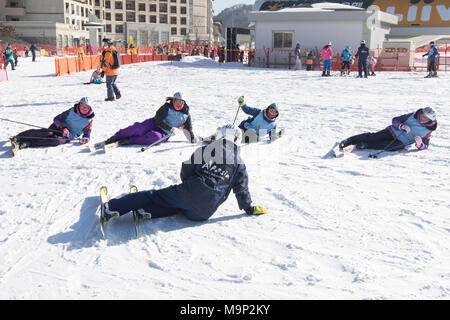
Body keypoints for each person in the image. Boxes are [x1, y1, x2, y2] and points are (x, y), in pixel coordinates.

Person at [101, 125, 267, 223]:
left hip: (191, 190)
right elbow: (242, 189)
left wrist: (187, 185)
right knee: (179, 206)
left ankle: (112, 208)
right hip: (204, 213)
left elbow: (187, 168)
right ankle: (147, 211)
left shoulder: (208, 149)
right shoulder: (240, 163)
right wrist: (249, 208)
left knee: (154, 195)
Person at [103, 92, 197, 147]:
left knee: (154, 137)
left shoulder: (186, 115)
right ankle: (116, 137)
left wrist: (193, 138)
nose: (178, 103)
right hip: (154, 123)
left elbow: (188, 129)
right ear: (173, 100)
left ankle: (129, 140)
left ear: (183, 102)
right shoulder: (167, 107)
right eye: (176, 101)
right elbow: (158, 119)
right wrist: (170, 128)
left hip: (164, 133)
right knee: (138, 129)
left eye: (180, 101)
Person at [10, 97, 95, 151]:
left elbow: (87, 132)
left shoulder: (89, 120)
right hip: (58, 127)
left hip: (68, 136)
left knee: (55, 141)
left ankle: (27, 144)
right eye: (82, 106)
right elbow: (57, 119)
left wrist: (86, 138)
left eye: (86, 107)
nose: (83, 108)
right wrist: (63, 127)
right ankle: (19, 137)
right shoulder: (72, 111)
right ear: (79, 105)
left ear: (89, 108)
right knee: (47, 133)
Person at [338, 107, 437, 152]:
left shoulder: (428, 130)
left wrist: (420, 144)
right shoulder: (412, 115)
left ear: (430, 120)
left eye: (425, 117)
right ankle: (349, 141)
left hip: (401, 142)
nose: (422, 117)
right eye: (423, 114)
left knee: (387, 146)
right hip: (392, 132)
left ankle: (365, 146)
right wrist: (401, 126)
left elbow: (425, 146)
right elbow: (395, 120)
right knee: (374, 137)